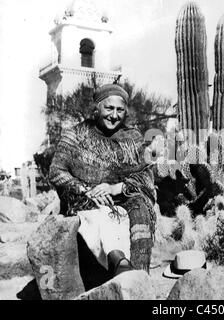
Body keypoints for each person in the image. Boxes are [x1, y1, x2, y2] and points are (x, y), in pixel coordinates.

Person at [49, 83, 156, 277]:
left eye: (120, 110)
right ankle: (119, 264)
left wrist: (114, 188)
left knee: (141, 209)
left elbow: (147, 176)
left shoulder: (134, 138)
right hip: (85, 198)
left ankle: (140, 279)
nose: (114, 115)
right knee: (101, 215)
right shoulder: (75, 135)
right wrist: (85, 190)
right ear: (96, 108)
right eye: (109, 108)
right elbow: (57, 171)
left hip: (123, 195)